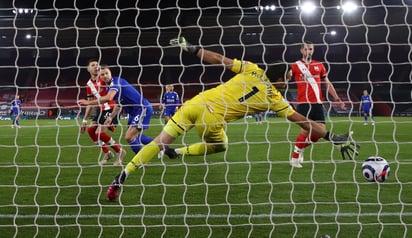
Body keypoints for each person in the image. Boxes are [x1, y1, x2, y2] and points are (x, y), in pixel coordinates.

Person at [104, 37, 356, 201]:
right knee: (221, 145)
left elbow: (219, 59)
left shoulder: (252, 67)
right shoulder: (275, 98)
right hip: (211, 119)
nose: (289, 82)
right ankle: (180, 152)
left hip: (196, 103)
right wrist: (331, 136)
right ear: (280, 80)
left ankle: (121, 177)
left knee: (157, 142)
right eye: (288, 79)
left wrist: (192, 48)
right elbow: (302, 120)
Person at [286, 41, 346, 168]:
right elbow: (286, 78)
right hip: (304, 103)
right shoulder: (295, 66)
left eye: (311, 49)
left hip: (318, 103)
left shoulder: (319, 65)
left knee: (320, 132)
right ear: (302, 51)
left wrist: (336, 98)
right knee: (305, 131)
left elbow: (327, 83)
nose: (309, 51)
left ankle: (299, 148)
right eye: (307, 49)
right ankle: (295, 158)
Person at [78, 65, 154, 157]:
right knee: (134, 136)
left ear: (110, 73)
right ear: (100, 76)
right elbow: (118, 104)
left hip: (142, 108)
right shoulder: (107, 86)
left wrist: (87, 102)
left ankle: (140, 158)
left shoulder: (116, 82)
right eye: (102, 74)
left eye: (106, 73)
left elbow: (109, 97)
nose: (105, 76)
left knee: (129, 136)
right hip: (133, 112)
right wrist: (111, 117)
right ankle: (165, 149)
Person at [81, 59, 126, 165]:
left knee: (99, 132)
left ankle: (120, 151)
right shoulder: (88, 84)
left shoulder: (104, 79)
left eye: (97, 65)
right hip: (101, 110)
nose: (96, 67)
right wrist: (84, 121)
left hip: (112, 108)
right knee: (91, 130)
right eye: (93, 65)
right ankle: (108, 153)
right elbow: (90, 103)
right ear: (88, 69)